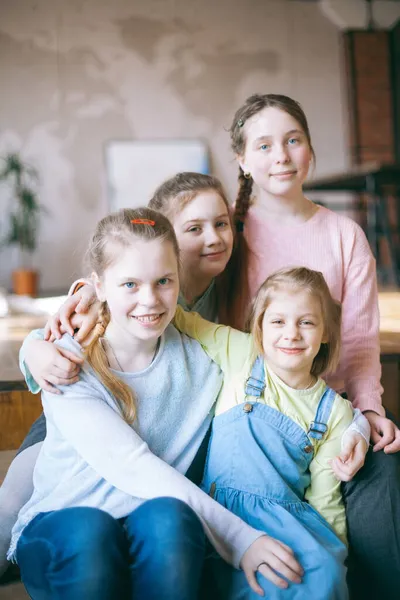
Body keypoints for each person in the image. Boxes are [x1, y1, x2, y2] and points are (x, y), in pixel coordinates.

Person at [6, 207, 302, 599]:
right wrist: (241, 538)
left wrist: (355, 423)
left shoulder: (202, 361)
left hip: (147, 528)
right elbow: (132, 465)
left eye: (164, 281)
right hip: (65, 528)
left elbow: (293, 374)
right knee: (90, 532)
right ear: (99, 286)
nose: (149, 300)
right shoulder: (64, 362)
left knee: (172, 518)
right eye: (129, 284)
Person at [0, 172, 235, 578]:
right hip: (90, 426)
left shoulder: (214, 319)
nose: (210, 238)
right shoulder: (97, 319)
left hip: (160, 435)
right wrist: (34, 346)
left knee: (168, 521)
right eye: (193, 228)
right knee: (48, 504)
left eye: (221, 223)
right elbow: (110, 285)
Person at [225, 93, 400, 599]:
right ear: (243, 160)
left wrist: (368, 412)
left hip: (331, 410)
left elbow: (363, 341)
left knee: (383, 475)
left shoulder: (344, 235)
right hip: (252, 413)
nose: (281, 155)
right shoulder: (229, 236)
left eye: (293, 140)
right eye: (264, 145)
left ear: (309, 148)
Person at [174, 266, 357, 599]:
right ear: (258, 327)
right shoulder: (241, 354)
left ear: (326, 332)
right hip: (221, 514)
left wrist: (336, 554)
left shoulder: (334, 411)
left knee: (323, 574)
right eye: (277, 322)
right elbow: (182, 319)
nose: (291, 334)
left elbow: (325, 501)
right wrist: (93, 293)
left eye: (307, 322)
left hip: (289, 523)